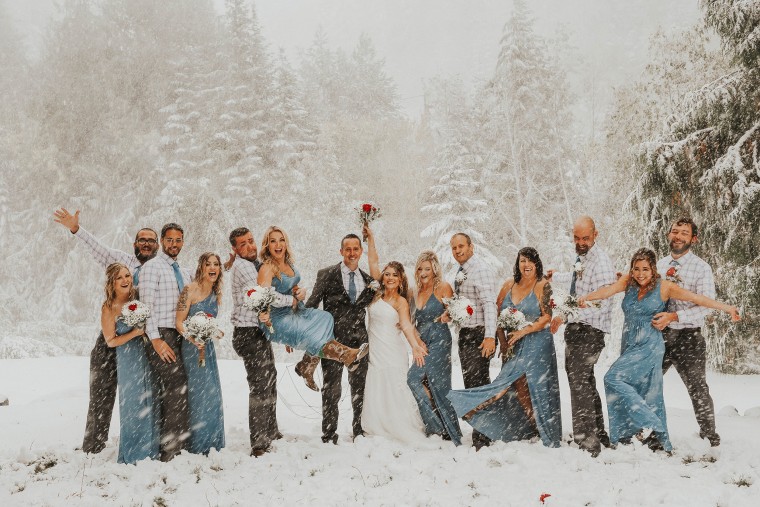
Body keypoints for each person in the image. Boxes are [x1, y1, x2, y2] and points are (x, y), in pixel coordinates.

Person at [581, 248, 740, 453]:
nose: (640, 273)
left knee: (612, 378)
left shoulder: (664, 287)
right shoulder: (628, 282)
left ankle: (650, 421)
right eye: (636, 268)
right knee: (649, 390)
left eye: (645, 269)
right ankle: (629, 437)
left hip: (650, 344)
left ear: (653, 268)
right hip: (629, 342)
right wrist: (586, 298)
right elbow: (606, 292)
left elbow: (698, 299)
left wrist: (727, 308)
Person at [53, 207, 158, 454]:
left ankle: (145, 441)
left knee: (144, 395)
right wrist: (75, 228)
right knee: (102, 391)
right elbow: (96, 247)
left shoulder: (160, 269)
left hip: (143, 341)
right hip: (113, 338)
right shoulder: (123, 262)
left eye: (150, 240)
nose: (145, 243)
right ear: (135, 243)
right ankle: (93, 446)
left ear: (157, 246)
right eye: (141, 239)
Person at [449, 247, 562, 447]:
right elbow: (498, 313)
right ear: (517, 264)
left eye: (530, 261)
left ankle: (543, 426)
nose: (526, 265)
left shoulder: (542, 285)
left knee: (535, 386)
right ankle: (529, 424)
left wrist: (523, 331)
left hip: (538, 343)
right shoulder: (509, 285)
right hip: (514, 346)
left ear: (536, 264)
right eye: (522, 261)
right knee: (516, 386)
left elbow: (546, 317)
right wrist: (502, 341)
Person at [296, 233, 375, 445]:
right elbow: (311, 305)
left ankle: (359, 431)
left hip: (360, 343)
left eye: (355, 249)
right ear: (341, 251)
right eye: (347, 249)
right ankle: (329, 434)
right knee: (332, 389)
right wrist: (297, 333)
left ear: (361, 251)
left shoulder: (369, 281)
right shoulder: (327, 274)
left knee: (360, 389)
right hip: (332, 342)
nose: (352, 253)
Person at [547, 216, 616, 457]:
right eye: (577, 238)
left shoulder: (602, 263)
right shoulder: (584, 259)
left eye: (585, 238)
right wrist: (555, 277)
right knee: (585, 382)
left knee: (579, 383)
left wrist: (567, 312)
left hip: (590, 331)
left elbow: (603, 304)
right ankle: (599, 433)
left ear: (596, 235)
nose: (581, 242)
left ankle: (587, 441)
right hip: (578, 330)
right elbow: (578, 280)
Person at [256, 226, 368, 369]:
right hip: (275, 319)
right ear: (267, 245)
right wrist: (292, 300)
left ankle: (307, 365)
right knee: (308, 333)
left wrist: (299, 292)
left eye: (281, 240)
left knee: (325, 318)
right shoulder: (267, 268)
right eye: (273, 241)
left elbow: (290, 286)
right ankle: (346, 355)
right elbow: (265, 296)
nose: (278, 245)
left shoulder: (288, 264)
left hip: (294, 311)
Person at [653, 218, 722, 446]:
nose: (678, 236)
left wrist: (675, 316)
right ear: (668, 235)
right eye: (675, 231)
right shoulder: (659, 265)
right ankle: (649, 433)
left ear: (694, 239)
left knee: (698, 388)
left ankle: (710, 438)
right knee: (647, 384)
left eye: (684, 233)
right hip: (659, 337)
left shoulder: (702, 268)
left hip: (688, 337)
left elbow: (705, 305)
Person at [360, 225, 429, 444]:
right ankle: (379, 425)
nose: (389, 278)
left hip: (393, 350)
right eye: (387, 274)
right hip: (376, 349)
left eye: (394, 275)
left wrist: (415, 346)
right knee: (377, 384)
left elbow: (407, 326)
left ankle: (399, 425)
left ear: (400, 280)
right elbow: (372, 261)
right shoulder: (376, 293)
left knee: (394, 386)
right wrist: (370, 239)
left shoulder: (400, 302)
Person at [139, 223, 192, 461]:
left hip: (178, 333)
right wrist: (156, 339)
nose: (174, 244)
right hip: (160, 333)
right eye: (170, 240)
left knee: (174, 387)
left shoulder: (179, 269)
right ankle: (170, 450)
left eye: (178, 240)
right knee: (175, 384)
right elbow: (146, 306)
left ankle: (172, 443)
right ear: (162, 241)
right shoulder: (152, 267)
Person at [228, 227, 281, 457]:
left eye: (251, 241)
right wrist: (293, 300)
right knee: (260, 386)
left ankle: (271, 431)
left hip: (258, 331)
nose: (250, 246)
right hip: (247, 333)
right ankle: (259, 443)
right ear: (235, 249)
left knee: (270, 379)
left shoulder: (252, 265)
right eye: (243, 244)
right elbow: (263, 293)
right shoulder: (242, 266)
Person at [100, 263, 159, 464]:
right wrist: (134, 333)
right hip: (127, 358)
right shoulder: (109, 308)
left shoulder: (139, 297)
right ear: (112, 283)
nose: (126, 280)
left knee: (152, 398)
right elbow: (110, 340)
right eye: (120, 278)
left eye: (127, 275)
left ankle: (153, 449)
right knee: (133, 402)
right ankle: (134, 452)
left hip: (148, 355)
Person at [448, 232, 498, 449]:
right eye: (454, 248)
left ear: (471, 247)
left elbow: (489, 305)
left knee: (479, 385)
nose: (457, 250)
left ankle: (484, 434)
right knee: (471, 385)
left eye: (461, 246)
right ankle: (480, 429)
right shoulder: (462, 271)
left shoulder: (481, 270)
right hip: (466, 334)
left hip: (479, 334)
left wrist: (489, 336)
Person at [407, 251, 462, 445]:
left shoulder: (443, 288)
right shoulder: (414, 291)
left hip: (440, 340)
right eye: (420, 268)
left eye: (427, 269)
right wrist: (415, 341)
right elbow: (409, 321)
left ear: (434, 270)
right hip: (422, 342)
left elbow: (458, 310)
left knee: (439, 385)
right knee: (414, 379)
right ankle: (437, 426)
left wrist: (449, 315)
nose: (423, 272)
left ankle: (447, 430)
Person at [176, 252, 225, 455]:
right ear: (201, 267)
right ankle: (197, 443)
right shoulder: (189, 290)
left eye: (216, 264)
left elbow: (210, 321)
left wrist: (215, 331)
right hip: (191, 347)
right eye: (208, 264)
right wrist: (193, 338)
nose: (212, 268)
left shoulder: (216, 292)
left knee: (212, 394)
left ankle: (212, 442)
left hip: (208, 349)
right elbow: (179, 322)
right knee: (198, 394)